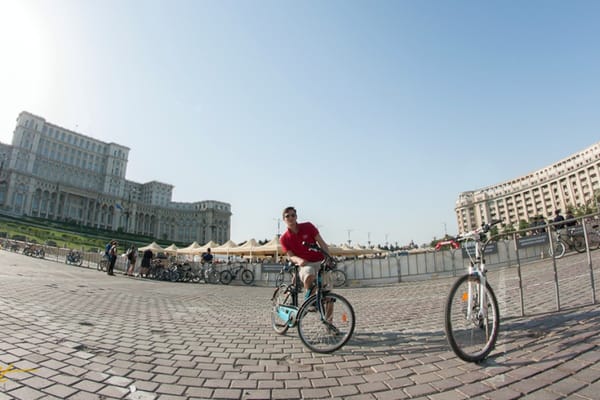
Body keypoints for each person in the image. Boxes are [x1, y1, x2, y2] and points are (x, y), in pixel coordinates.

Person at [279, 206, 331, 302]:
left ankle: (326, 311)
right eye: (287, 216)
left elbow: (322, 243)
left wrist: (328, 258)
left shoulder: (308, 226)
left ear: (296, 216)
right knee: (308, 273)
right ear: (284, 219)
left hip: (320, 261)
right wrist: (299, 260)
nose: (290, 218)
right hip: (305, 264)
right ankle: (310, 301)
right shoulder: (284, 238)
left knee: (329, 296)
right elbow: (291, 256)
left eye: (293, 215)